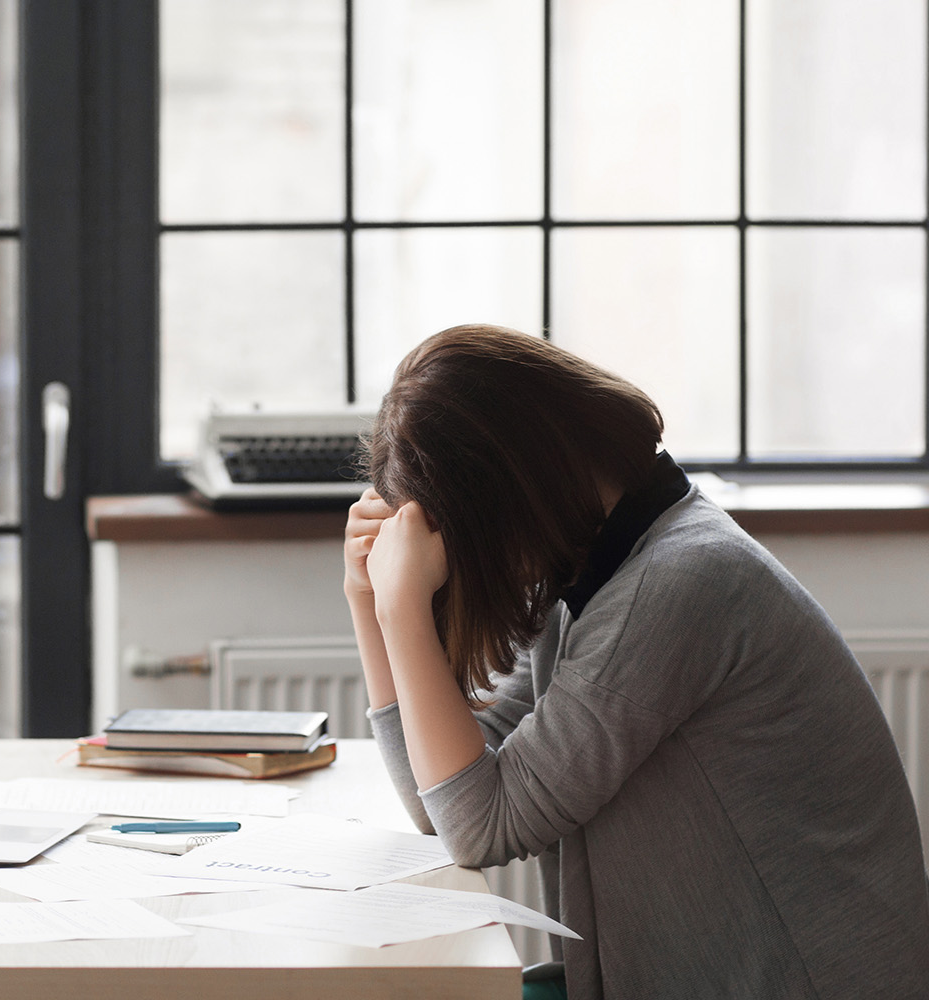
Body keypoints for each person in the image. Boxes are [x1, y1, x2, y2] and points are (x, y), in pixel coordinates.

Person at [344, 324, 929, 999]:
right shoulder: (597, 569)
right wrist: (367, 598)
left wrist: (402, 610)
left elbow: (477, 825)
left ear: (510, 495)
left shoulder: (675, 585)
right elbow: (441, 799)